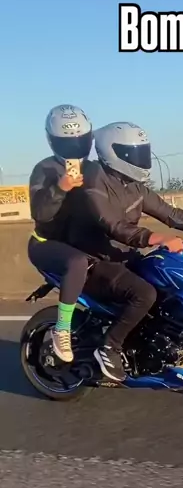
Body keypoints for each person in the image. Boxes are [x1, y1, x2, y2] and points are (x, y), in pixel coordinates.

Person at [66, 121, 183, 382]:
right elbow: (112, 225)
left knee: (170, 282)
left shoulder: (133, 185)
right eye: (133, 153)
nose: (140, 158)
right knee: (144, 293)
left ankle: (166, 351)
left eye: (142, 151)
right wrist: (156, 237)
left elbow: (170, 213)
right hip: (93, 261)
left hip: (122, 257)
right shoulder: (92, 180)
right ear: (112, 152)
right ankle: (109, 347)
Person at [28, 104, 94, 363]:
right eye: (67, 143)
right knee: (77, 262)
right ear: (52, 140)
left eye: (79, 141)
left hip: (81, 242)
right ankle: (62, 329)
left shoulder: (95, 169)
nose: (74, 149)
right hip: (47, 244)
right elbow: (40, 213)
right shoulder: (44, 169)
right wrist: (60, 188)